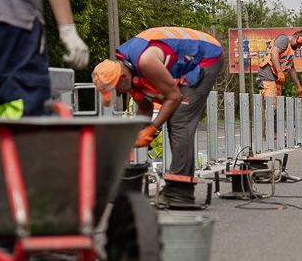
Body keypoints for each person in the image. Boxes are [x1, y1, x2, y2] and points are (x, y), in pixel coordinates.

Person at [92, 28, 224, 207]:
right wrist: (131, 139)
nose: (118, 95)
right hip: (191, 60)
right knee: (175, 116)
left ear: (122, 77)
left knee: (179, 119)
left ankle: (180, 190)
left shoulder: (145, 62)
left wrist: (153, 128)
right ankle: (177, 186)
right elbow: (145, 109)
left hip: (206, 56)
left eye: (116, 90)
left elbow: (174, 97)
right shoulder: (129, 72)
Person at [256, 30, 302, 100]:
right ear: (298, 38)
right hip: (267, 76)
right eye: (300, 44)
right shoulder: (284, 40)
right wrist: (279, 71)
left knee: (276, 106)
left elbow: (291, 68)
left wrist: (298, 86)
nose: (299, 47)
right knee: (270, 105)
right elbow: (274, 52)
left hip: (276, 79)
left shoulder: (290, 51)